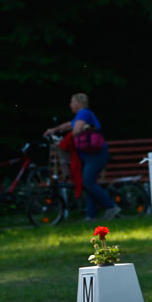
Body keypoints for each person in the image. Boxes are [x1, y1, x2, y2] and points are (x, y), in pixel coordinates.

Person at [44, 93, 120, 221]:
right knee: (89, 183)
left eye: (72, 102)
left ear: (79, 103)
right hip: (90, 156)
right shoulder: (81, 116)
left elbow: (76, 130)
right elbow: (70, 125)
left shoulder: (84, 112)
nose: (70, 105)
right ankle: (91, 216)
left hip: (96, 156)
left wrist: (66, 139)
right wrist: (54, 130)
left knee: (88, 182)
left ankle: (111, 206)